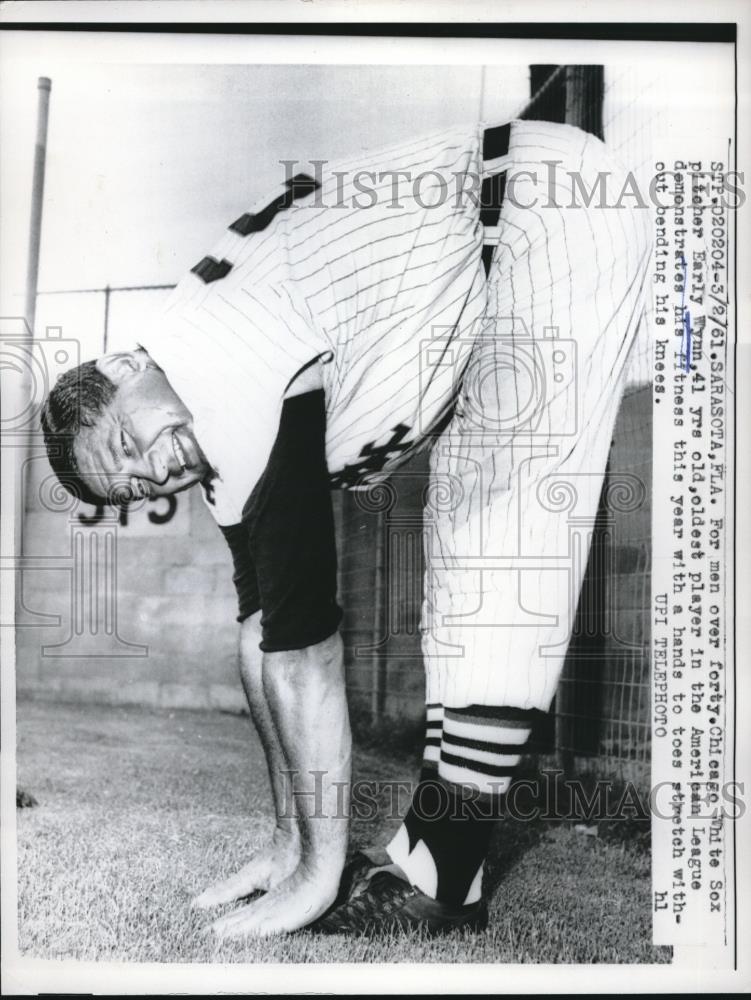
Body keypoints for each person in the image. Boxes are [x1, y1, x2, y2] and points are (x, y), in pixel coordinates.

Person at [41, 117, 650, 938]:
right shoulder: (196, 415)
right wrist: (284, 843)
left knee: (501, 528)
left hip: (543, 216)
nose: (153, 472)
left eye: (125, 444)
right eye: (133, 485)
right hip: (486, 261)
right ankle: (435, 860)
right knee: (468, 530)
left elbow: (306, 650)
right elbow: (260, 635)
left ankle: (443, 873)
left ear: (123, 368)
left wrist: (315, 880)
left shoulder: (215, 365)